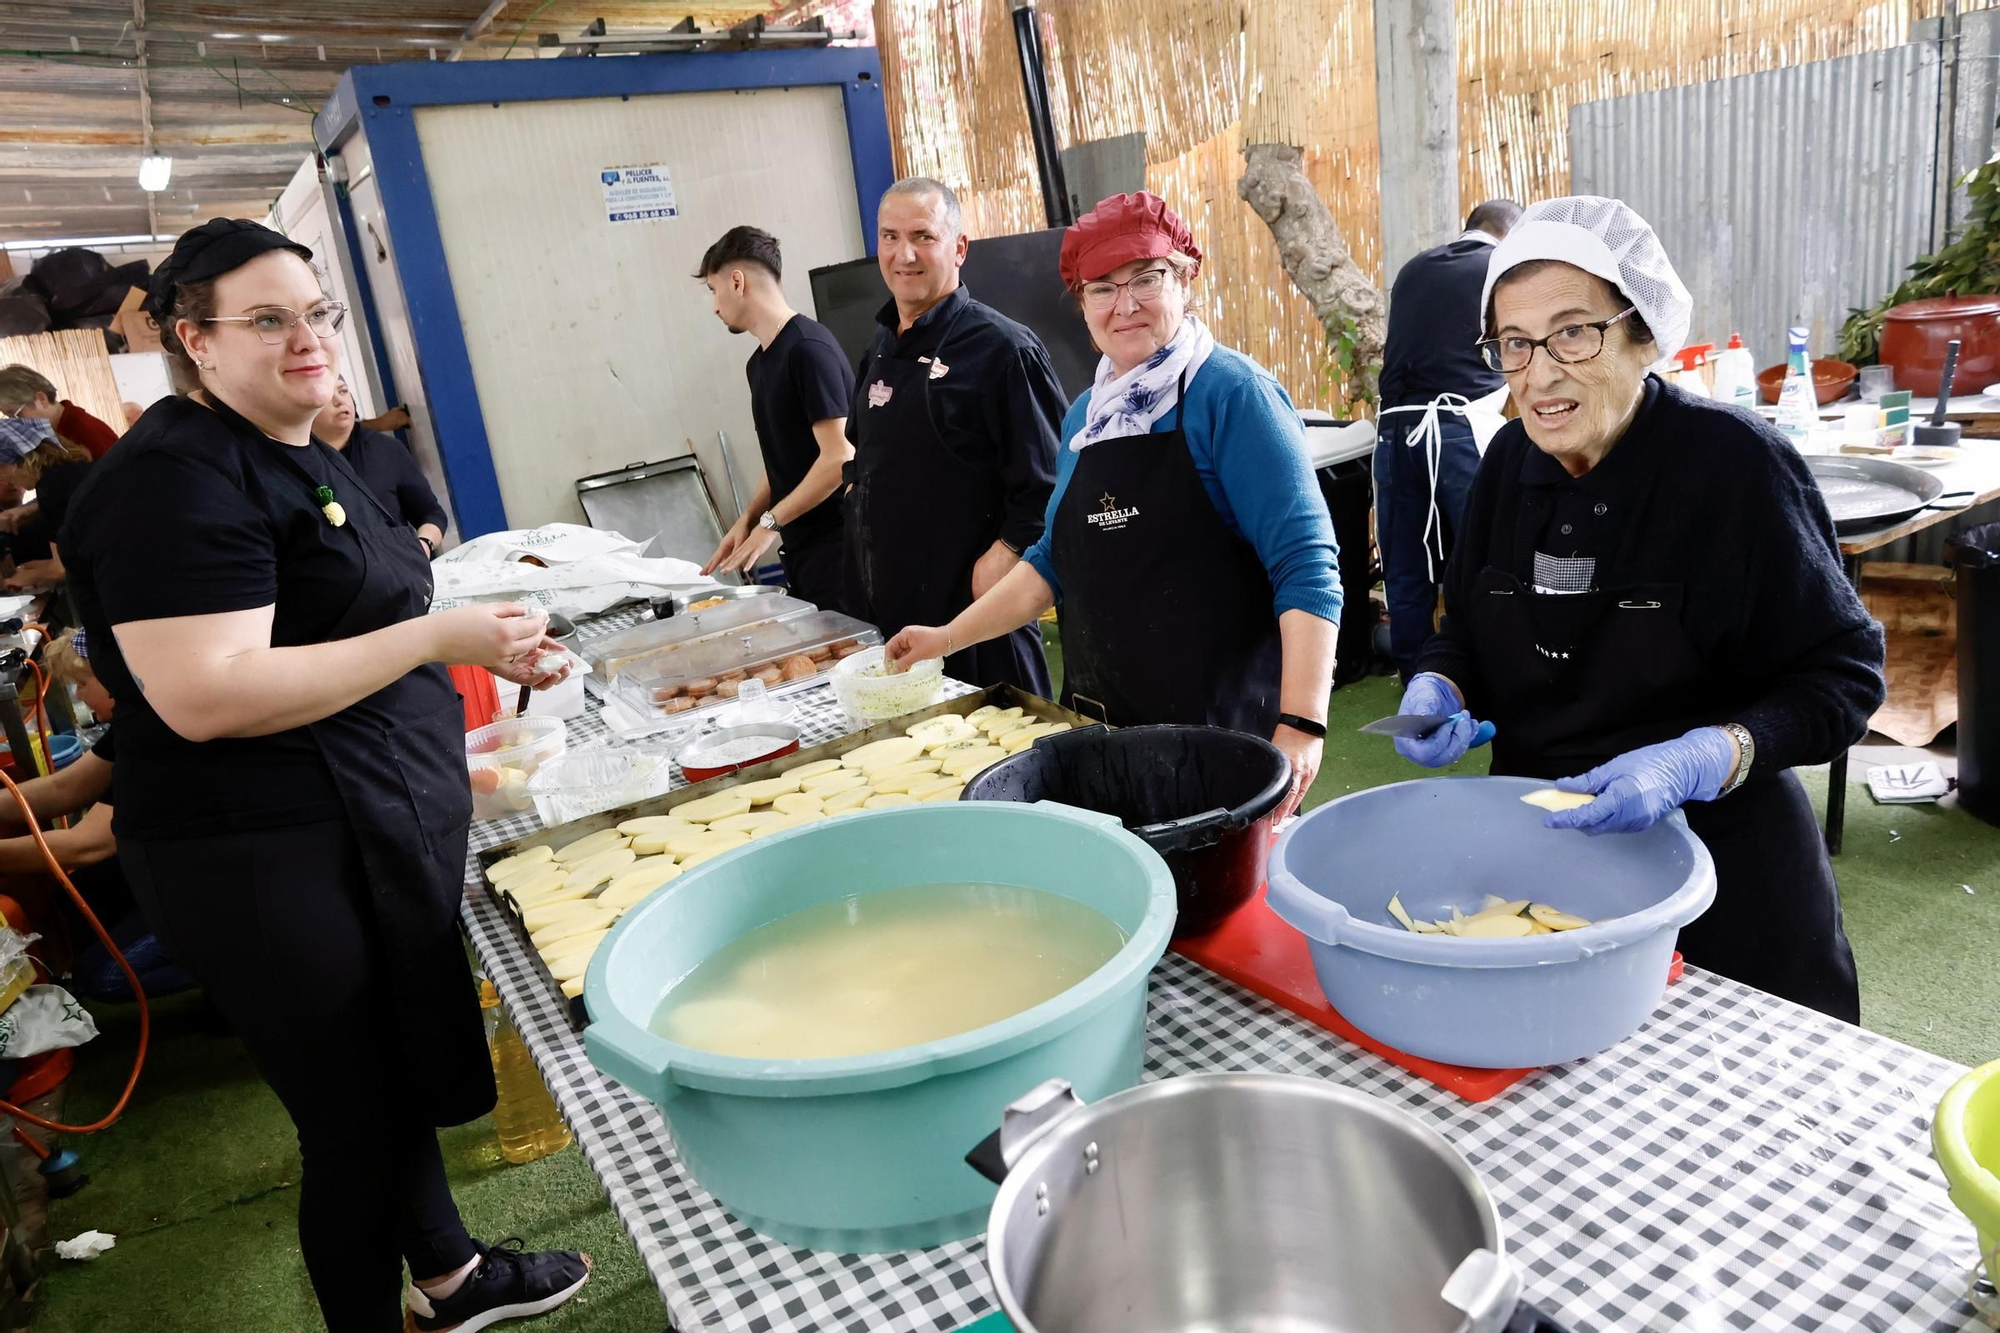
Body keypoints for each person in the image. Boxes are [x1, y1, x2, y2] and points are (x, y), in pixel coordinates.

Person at [59, 218, 589, 1333]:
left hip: (351, 819)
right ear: (193, 340)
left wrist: (487, 643)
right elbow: (206, 695)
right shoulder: (170, 480)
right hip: (254, 851)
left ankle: (448, 1277)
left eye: (318, 313)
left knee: (386, 1082)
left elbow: (360, 601)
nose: (307, 340)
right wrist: (432, 643)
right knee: (349, 1122)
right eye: (266, 320)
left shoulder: (294, 446)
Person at [1393, 195, 1885, 1021]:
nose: (1539, 373)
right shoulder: (1509, 464)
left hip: (1724, 870)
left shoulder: (1735, 470)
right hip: (1547, 858)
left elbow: (1844, 677)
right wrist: (1442, 683)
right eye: (1514, 343)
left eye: (1573, 332)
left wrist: (1706, 754)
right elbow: (1467, 631)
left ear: (1644, 332)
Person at [887, 193, 1342, 815]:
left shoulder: (1232, 397)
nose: (1124, 305)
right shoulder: (1088, 417)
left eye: (1145, 279)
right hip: (1105, 739)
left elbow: (1307, 564)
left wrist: (1302, 725)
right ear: (1081, 304)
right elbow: (1051, 562)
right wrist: (945, 638)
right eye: (1101, 288)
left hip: (1222, 737)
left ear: (1185, 280)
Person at [848, 177, 1064, 693]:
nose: (904, 254)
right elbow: (862, 459)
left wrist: (1004, 554)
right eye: (889, 236)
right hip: (896, 628)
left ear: (959, 247)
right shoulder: (878, 347)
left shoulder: (1003, 349)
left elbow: (1053, 485)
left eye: (923, 235)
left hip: (979, 627)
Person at [0, 630, 194, 1003]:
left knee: (102, 979)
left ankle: (245, 972)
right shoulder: (135, 721)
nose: (81, 697)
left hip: (212, 879)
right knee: (79, 896)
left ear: (117, 678)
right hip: (172, 858)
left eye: (83, 684)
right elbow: (65, 789)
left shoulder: (161, 735)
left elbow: (85, 846)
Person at [1374, 200, 1521, 682]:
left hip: (1394, 432)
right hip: (1456, 429)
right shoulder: (1501, 267)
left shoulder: (1415, 268)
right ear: (1508, 232)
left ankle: (1417, 675)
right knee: (1485, 557)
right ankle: (1492, 668)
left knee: (1405, 563)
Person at [695, 225, 855, 611]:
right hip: (802, 549)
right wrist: (748, 519)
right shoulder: (760, 364)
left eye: (714, 291)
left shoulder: (808, 350)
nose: (715, 306)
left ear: (737, 281)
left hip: (843, 548)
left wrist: (770, 523)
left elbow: (839, 458)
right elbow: (783, 456)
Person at [312, 374, 450, 558]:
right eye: (328, 395)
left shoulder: (386, 449)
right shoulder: (295, 462)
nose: (340, 401)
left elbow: (432, 514)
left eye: (343, 391)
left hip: (401, 573)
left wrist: (423, 545)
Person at [0, 417, 91, 591]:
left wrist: (21, 578)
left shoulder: (50, 486)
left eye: (2, 472)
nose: (9, 480)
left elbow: (61, 568)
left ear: (16, 463)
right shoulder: (73, 468)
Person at [0, 365, 119, 460]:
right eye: (9, 417)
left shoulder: (88, 431)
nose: (14, 423)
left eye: (15, 414)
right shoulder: (51, 436)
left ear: (42, 399)